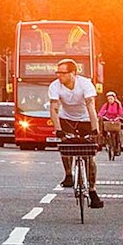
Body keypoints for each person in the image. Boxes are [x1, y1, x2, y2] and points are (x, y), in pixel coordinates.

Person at [46, 57, 103, 208]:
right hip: (66, 119)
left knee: (89, 157)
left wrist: (95, 128)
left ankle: (92, 190)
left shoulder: (85, 84)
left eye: (63, 73)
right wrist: (58, 130)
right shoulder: (55, 86)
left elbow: (91, 106)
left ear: (73, 73)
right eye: (57, 72)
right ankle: (68, 175)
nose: (59, 76)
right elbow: (54, 108)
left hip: (85, 119)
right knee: (65, 146)